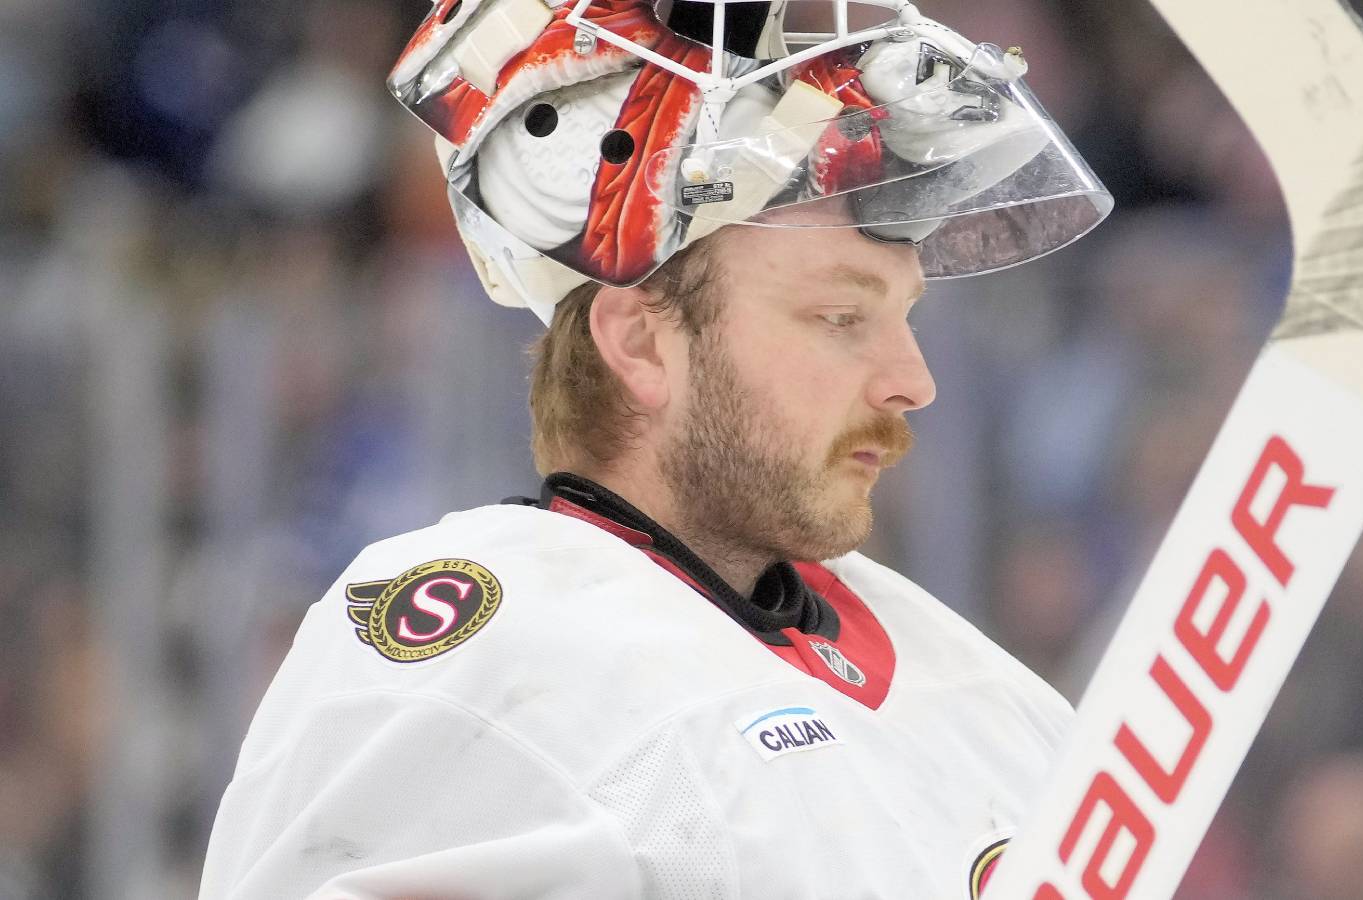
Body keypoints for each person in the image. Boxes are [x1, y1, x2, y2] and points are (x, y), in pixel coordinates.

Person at [200, 0, 1112, 896]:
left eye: (902, 316)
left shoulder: (995, 699)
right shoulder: (483, 665)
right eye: (840, 318)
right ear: (640, 343)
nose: (914, 381)